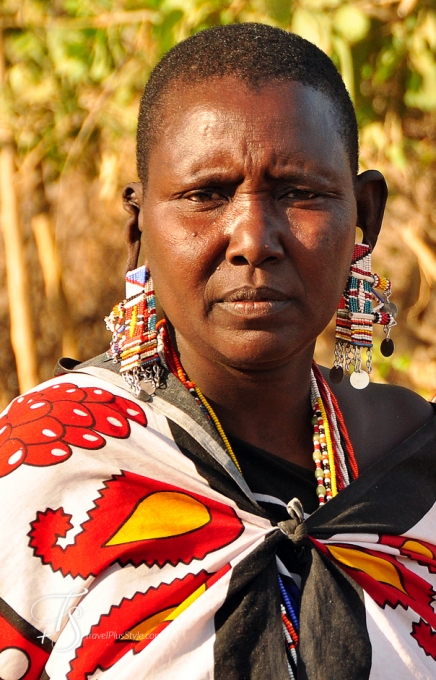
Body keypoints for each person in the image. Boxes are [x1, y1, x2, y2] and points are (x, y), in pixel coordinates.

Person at [0, 23, 435, 680]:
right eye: (207, 193)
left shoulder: (419, 463)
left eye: (300, 193)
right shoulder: (48, 461)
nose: (254, 238)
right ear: (139, 220)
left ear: (363, 219)